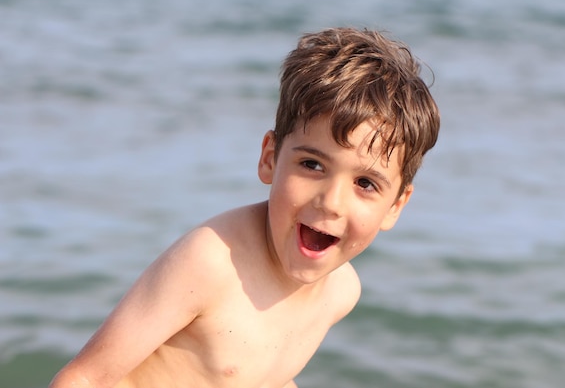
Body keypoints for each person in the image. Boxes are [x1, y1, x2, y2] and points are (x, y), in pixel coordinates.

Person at [49, 27, 440, 388]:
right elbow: (84, 378)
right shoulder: (211, 262)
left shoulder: (340, 293)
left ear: (396, 205)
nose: (331, 202)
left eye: (365, 184)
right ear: (270, 158)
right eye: (312, 165)